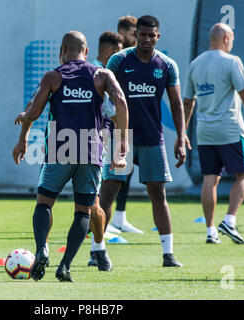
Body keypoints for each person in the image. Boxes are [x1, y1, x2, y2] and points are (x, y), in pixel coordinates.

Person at [13, 31, 129, 282]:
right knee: (83, 212)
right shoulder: (102, 75)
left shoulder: (54, 76)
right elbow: (120, 100)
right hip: (90, 149)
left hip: (60, 148)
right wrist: (122, 144)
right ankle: (65, 266)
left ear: (63, 49)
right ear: (86, 52)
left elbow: (34, 110)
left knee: (44, 203)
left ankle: (42, 248)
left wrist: (22, 139)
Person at [99, 15, 187, 267]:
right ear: (135, 35)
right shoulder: (119, 60)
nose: (147, 39)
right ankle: (97, 249)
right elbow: (102, 94)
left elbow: (177, 103)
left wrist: (181, 137)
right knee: (108, 193)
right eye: (143, 34)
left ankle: (168, 254)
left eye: (152, 35)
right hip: (120, 138)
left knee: (158, 194)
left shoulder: (167, 65)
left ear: (158, 37)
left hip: (152, 139)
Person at [182, 23, 244, 244]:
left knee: (209, 179)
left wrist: (183, 132)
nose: (232, 42)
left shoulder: (195, 64)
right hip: (230, 129)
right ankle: (230, 220)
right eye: (231, 38)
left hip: (204, 132)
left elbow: (187, 102)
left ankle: (210, 231)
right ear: (225, 38)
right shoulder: (232, 62)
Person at [87, 30, 123, 270]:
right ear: (110, 52)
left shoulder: (99, 73)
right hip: (103, 141)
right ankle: (96, 248)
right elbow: (110, 110)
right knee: (101, 198)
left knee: (104, 198)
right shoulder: (100, 75)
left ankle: (95, 247)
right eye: (118, 51)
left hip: (105, 139)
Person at [107, 14, 144, 235]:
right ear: (123, 34)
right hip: (111, 125)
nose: (138, 38)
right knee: (109, 174)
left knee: (125, 172)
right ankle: (102, 220)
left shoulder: (138, 59)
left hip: (131, 126)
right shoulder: (115, 58)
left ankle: (119, 218)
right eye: (134, 34)